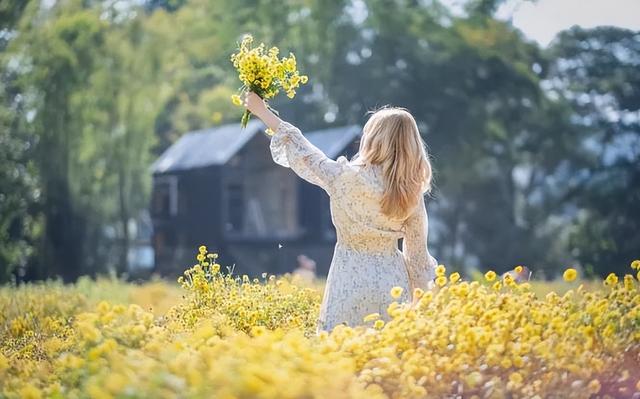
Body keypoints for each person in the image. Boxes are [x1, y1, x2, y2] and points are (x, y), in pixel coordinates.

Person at [243, 92, 437, 333]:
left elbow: (303, 150)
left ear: (372, 139)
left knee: (341, 356)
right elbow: (417, 259)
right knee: (386, 362)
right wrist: (426, 312)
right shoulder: (411, 194)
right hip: (392, 286)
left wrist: (261, 110)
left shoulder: (345, 177)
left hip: (349, 282)